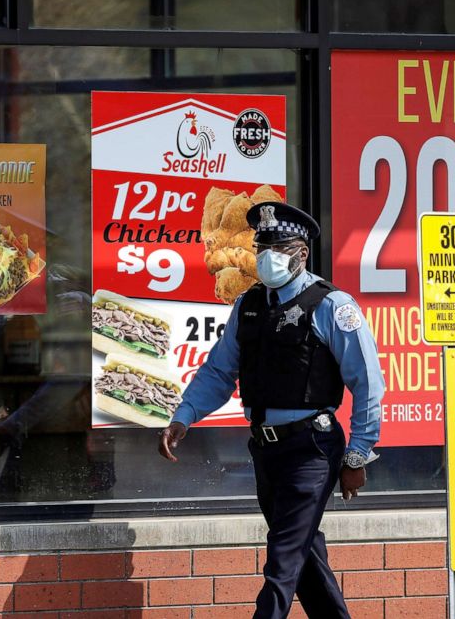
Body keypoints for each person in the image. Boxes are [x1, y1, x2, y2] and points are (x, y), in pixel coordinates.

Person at [158, 202, 384, 619]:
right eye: (262, 246)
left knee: (282, 559)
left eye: (278, 247)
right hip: (266, 450)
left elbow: (367, 382)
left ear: (302, 253)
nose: (267, 256)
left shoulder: (333, 305)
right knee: (303, 556)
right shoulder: (249, 305)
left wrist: (358, 454)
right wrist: (184, 416)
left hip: (312, 448)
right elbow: (219, 371)